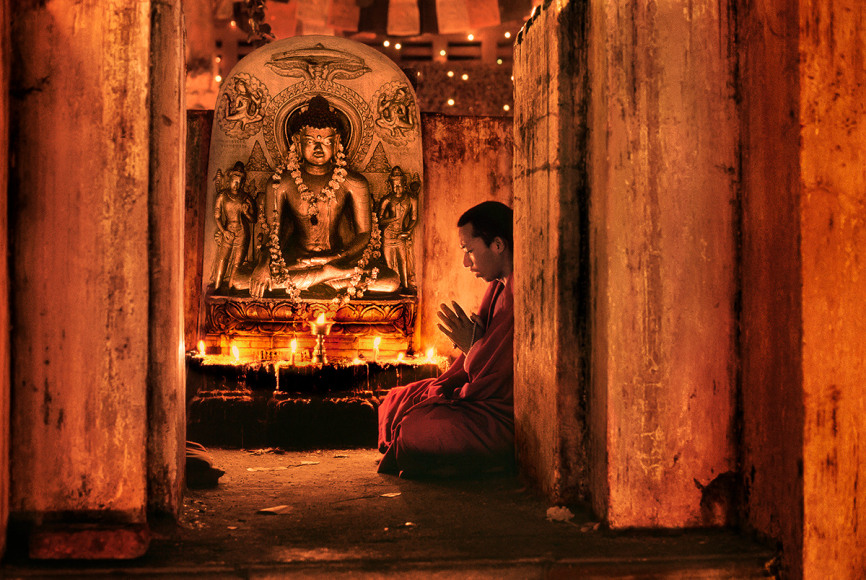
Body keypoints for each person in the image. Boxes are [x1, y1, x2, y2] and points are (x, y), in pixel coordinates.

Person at [377, 201, 514, 476]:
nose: (465, 262)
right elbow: (483, 354)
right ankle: (441, 457)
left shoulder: (519, 291)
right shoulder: (497, 289)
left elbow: (499, 378)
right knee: (396, 398)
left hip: (501, 414)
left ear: (498, 244)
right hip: (478, 396)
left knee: (418, 426)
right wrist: (473, 345)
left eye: (469, 250)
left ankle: (472, 464)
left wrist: (472, 346)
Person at [246, 95, 398, 297]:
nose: (318, 148)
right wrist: (264, 264)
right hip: (295, 262)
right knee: (241, 280)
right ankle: (329, 276)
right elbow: (273, 235)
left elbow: (364, 235)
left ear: (337, 145)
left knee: (390, 281)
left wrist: (335, 257)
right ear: (297, 143)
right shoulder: (280, 183)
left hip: (339, 260)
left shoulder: (353, 182)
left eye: (326, 142)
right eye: (310, 141)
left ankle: (328, 274)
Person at [210, 161, 255, 289]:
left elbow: (253, 219)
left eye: (239, 183)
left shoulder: (245, 197)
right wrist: (224, 231)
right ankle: (217, 288)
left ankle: (231, 289)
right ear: (229, 180)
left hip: (242, 233)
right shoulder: (222, 196)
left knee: (237, 264)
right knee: (222, 260)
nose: (236, 185)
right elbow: (217, 216)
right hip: (228, 230)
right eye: (234, 182)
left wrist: (246, 213)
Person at [378, 166, 418, 292]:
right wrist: (392, 219)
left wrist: (408, 231)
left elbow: (414, 218)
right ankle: (392, 290)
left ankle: (405, 287)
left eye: (399, 185)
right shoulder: (387, 200)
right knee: (389, 266)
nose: (397, 189)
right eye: (394, 186)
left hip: (401, 234)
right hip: (388, 236)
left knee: (403, 262)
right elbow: (379, 220)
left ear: (404, 184)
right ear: (391, 186)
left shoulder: (411, 199)